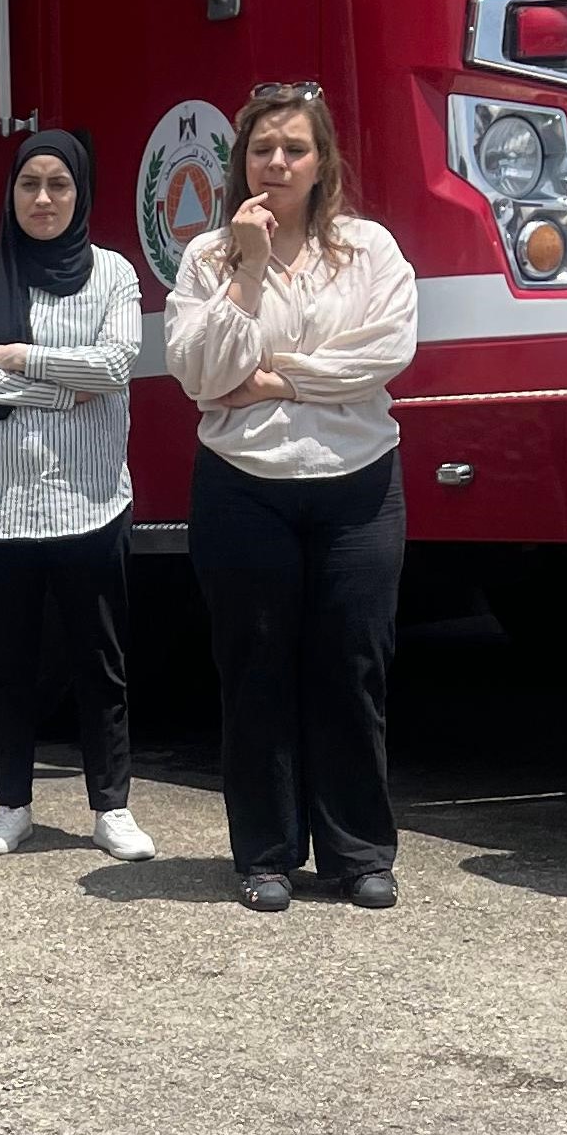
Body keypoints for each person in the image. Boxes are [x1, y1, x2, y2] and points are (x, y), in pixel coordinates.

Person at [165, 84, 419, 912]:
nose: (276, 163)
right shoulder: (208, 258)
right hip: (244, 486)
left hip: (358, 481)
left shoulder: (370, 249)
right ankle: (265, 854)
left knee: (353, 663)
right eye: (261, 149)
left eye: (294, 149)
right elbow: (200, 372)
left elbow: (384, 353)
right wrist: (246, 269)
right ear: (241, 161)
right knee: (256, 669)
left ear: (322, 162)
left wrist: (274, 380)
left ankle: (359, 854)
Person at [0, 131, 155, 863]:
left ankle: (112, 807)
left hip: (91, 498)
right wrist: (66, 391)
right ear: (11, 194)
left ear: (80, 193)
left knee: (101, 661)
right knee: (7, 666)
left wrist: (25, 357)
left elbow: (118, 364)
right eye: (28, 184)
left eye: (58, 185)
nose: (42, 199)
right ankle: (12, 806)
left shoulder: (114, 273)